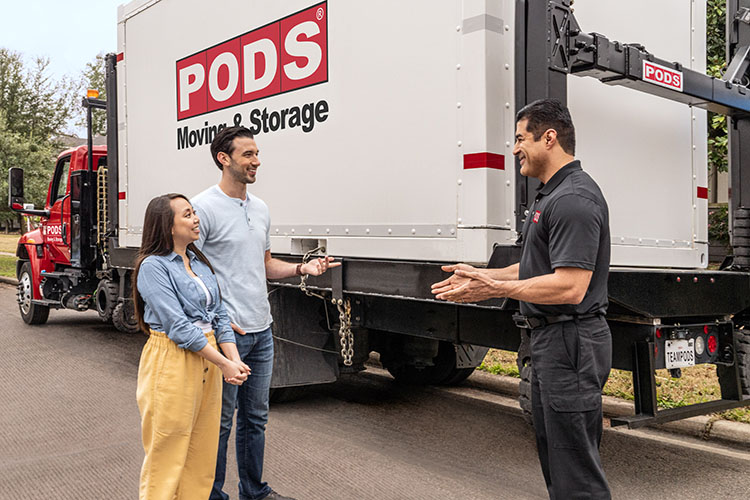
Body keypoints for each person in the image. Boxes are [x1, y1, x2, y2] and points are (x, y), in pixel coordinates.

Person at [431, 99, 612, 499]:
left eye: (519, 138)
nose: (514, 149)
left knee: (576, 471)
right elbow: (538, 269)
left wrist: (494, 289)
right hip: (552, 341)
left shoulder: (573, 200)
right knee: (557, 460)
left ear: (549, 138)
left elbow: (570, 286)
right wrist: (484, 275)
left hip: (571, 344)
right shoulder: (552, 196)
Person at [192, 126, 339, 500]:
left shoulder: (260, 208)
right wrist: (214, 320)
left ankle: (253, 491)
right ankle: (212, 494)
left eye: (257, 153)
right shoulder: (203, 208)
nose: (257, 161)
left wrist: (302, 270)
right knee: (221, 423)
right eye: (248, 154)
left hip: (261, 330)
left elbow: (266, 264)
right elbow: (190, 272)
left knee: (255, 419)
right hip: (229, 336)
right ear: (224, 159)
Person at [133, 193, 251, 499]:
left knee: (203, 449)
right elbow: (179, 328)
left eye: (194, 212)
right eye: (187, 214)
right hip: (172, 357)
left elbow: (220, 315)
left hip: (208, 356)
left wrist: (233, 361)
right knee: (168, 449)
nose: (196, 218)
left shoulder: (199, 262)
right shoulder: (153, 267)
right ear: (168, 226)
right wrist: (224, 363)